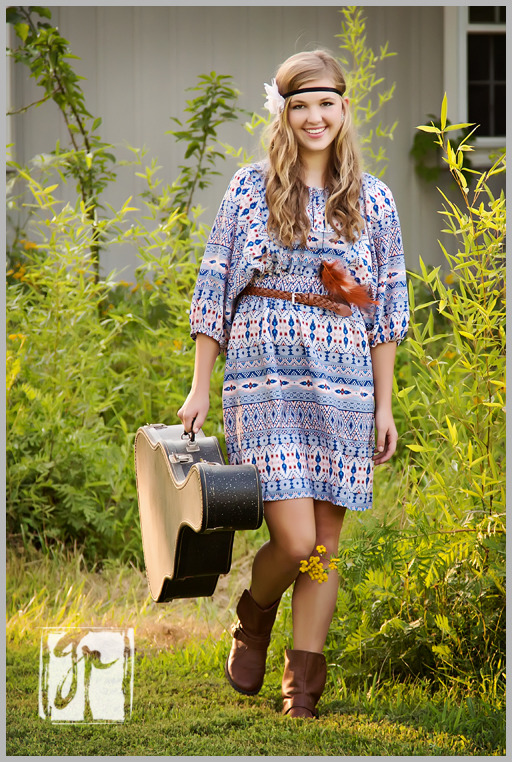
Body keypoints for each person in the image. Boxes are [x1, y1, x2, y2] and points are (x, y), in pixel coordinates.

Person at [177, 49, 409, 719]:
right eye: (300, 104)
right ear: (283, 113)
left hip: (343, 380)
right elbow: (214, 285)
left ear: (344, 109)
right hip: (263, 374)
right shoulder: (251, 187)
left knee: (326, 544)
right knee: (297, 541)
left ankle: (300, 686)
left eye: (325, 103)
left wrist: (384, 406)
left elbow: (386, 309)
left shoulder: (375, 200)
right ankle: (255, 611)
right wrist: (199, 385)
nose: (314, 117)